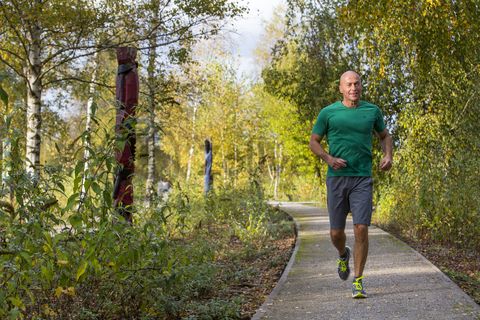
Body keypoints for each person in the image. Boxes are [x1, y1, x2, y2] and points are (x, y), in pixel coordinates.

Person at [309, 70, 393, 298]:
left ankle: (358, 280)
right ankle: (342, 254)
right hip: (336, 179)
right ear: (341, 88)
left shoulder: (372, 111)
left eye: (357, 84)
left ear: (361, 86)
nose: (353, 88)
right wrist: (328, 158)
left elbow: (385, 136)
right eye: (349, 84)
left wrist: (388, 155)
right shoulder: (328, 113)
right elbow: (313, 141)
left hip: (362, 178)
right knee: (336, 233)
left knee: (361, 228)